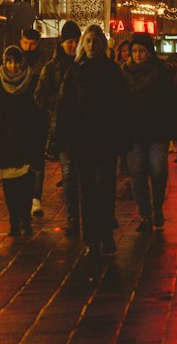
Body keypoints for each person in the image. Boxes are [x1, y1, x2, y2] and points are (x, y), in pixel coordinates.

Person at [55, 24, 132, 255]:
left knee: (104, 186)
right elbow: (65, 107)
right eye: (88, 41)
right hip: (82, 140)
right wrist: (62, 139)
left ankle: (105, 233)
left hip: (106, 139)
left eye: (95, 41)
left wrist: (122, 136)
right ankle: (91, 237)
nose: (91, 45)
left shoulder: (112, 70)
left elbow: (122, 106)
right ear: (82, 44)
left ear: (102, 44)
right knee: (86, 189)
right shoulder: (75, 71)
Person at [0, 45, 47, 236]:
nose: (13, 66)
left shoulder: (32, 81)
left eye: (16, 62)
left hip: (27, 140)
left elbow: (40, 112)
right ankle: (14, 220)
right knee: (10, 185)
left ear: (22, 63)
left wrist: (41, 137)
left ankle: (25, 219)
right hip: (5, 142)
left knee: (27, 183)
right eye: (9, 62)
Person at [122, 33, 177, 229]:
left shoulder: (161, 73)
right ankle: (145, 214)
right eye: (135, 51)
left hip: (157, 131)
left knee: (158, 170)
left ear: (149, 53)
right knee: (137, 174)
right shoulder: (124, 73)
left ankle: (157, 207)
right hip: (133, 132)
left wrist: (176, 131)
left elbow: (173, 102)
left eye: (142, 51)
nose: (138, 55)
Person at [36, 20, 81, 233]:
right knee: (69, 174)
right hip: (64, 128)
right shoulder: (51, 68)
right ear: (62, 43)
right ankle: (73, 216)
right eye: (69, 42)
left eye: (75, 41)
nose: (72, 46)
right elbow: (39, 96)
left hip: (86, 127)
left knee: (86, 174)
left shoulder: (85, 64)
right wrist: (60, 101)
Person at [19, 28, 46, 217]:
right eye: (26, 43)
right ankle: (23, 197)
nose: (29, 47)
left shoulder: (43, 62)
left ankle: (36, 197)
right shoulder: (14, 59)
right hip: (18, 119)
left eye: (33, 43)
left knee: (37, 159)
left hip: (38, 117)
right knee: (20, 159)